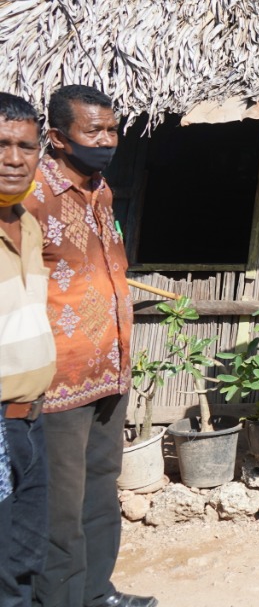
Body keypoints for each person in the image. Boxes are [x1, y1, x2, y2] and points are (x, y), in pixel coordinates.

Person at [24, 86, 152, 607]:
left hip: (109, 368)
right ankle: (61, 600)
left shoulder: (100, 189)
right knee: (60, 504)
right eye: (92, 131)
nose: (106, 141)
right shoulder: (28, 195)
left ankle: (97, 593)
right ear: (56, 137)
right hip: (56, 378)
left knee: (101, 489)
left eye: (112, 130)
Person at [0, 93, 57, 607]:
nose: (13, 158)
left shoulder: (31, 225)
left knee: (24, 560)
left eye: (25, 146)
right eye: (0, 145)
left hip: (31, 419)